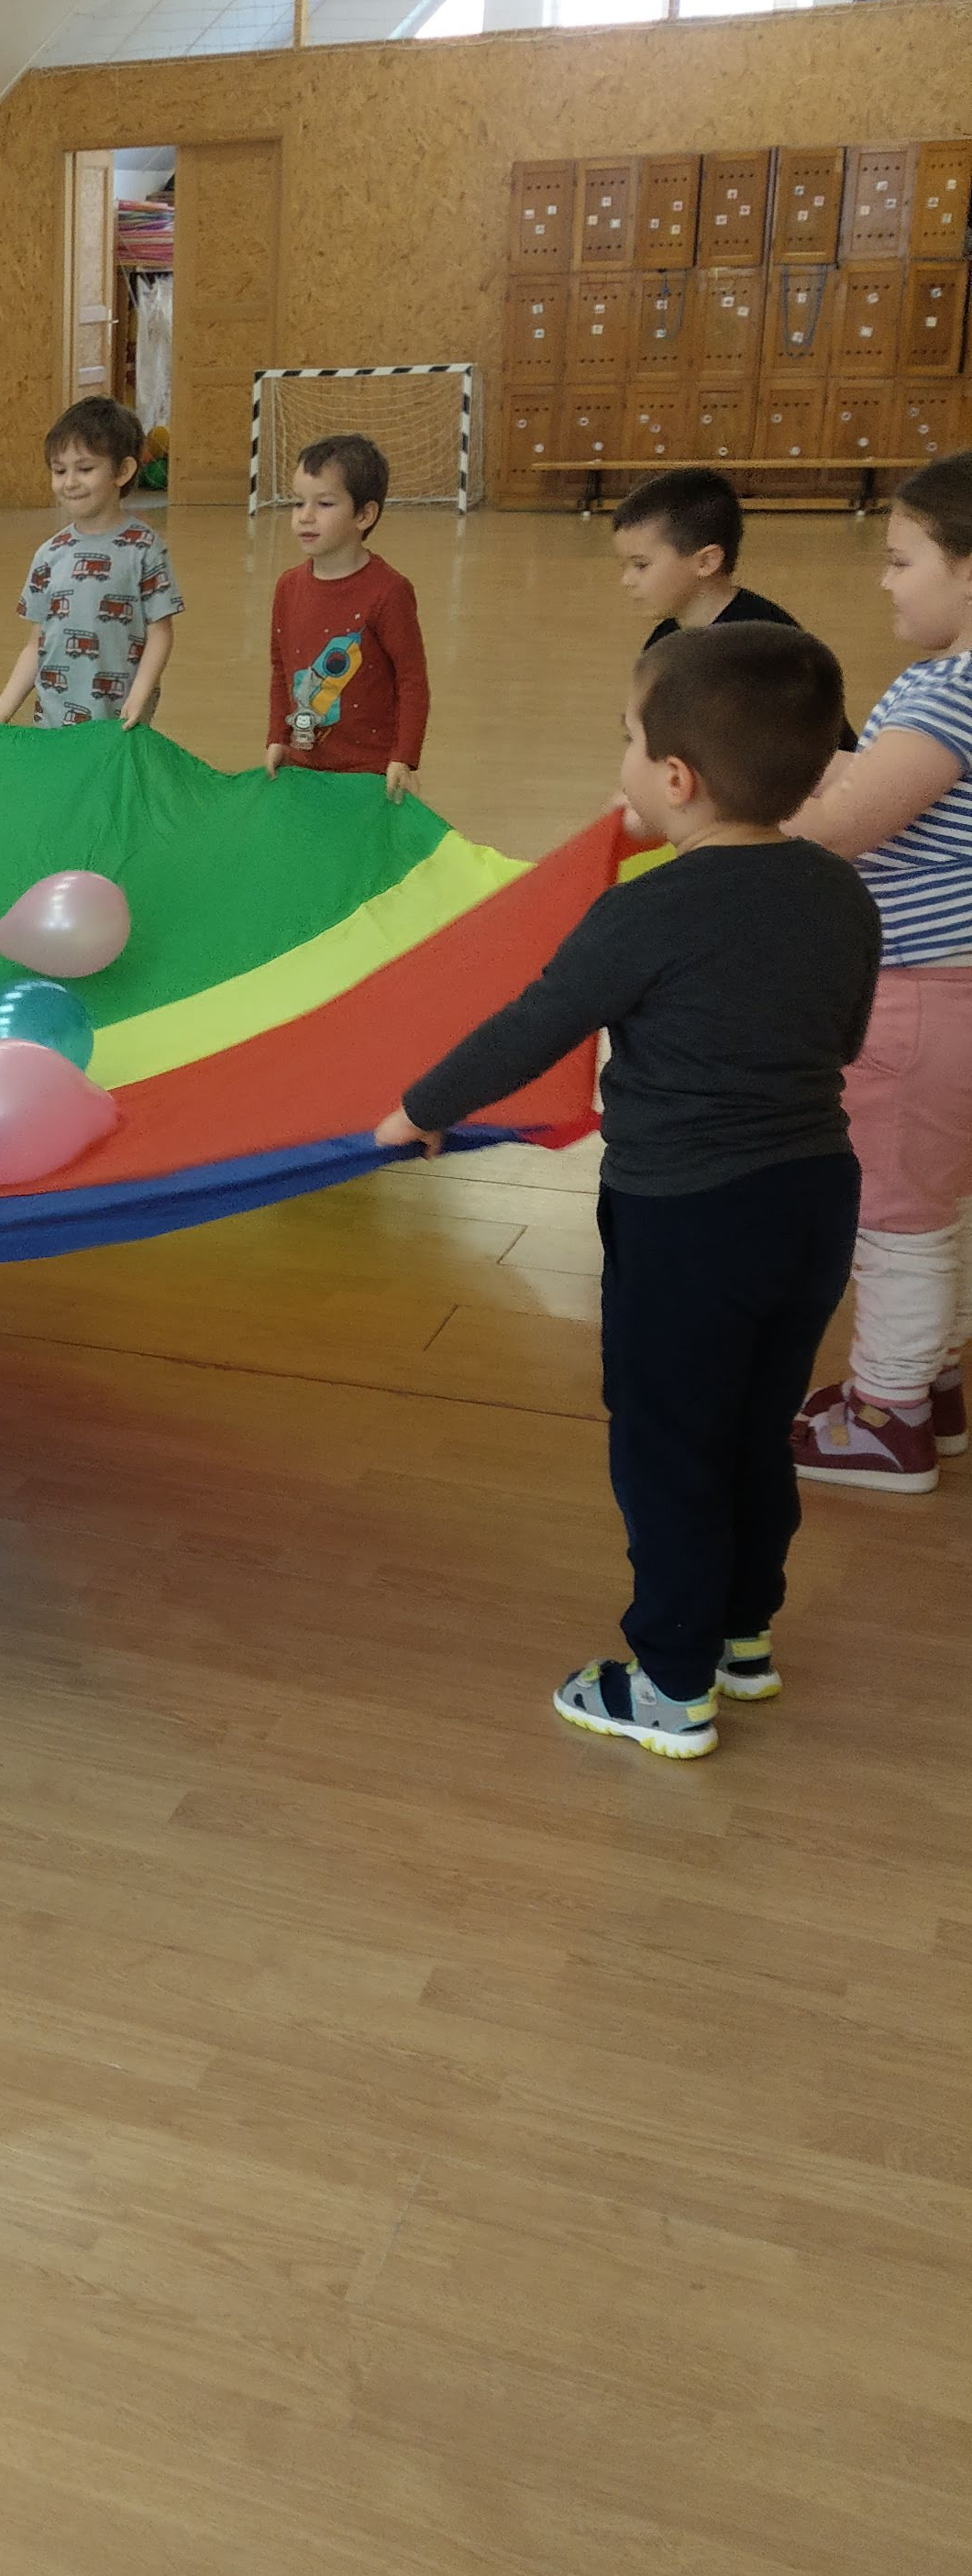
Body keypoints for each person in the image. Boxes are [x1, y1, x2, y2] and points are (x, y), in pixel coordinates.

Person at [377, 622, 877, 1760]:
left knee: (669, 1443)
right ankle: (742, 1636)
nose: (622, 764)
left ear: (677, 778)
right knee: (752, 1424)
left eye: (627, 741)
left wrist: (421, 1106)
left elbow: (534, 1026)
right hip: (813, 1202)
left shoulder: (644, 911)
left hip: (689, 1219)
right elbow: (843, 1038)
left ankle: (669, 1685)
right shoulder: (839, 892)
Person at [784, 450, 972, 1493]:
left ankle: (889, 1417)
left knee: (896, 1213)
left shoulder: (948, 689)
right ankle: (934, 1383)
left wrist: (729, 810)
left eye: (903, 561)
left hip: (920, 998)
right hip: (955, 996)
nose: (884, 580)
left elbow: (843, 826)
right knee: (939, 1198)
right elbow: (881, 780)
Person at [0, 396, 180, 732]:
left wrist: (140, 694)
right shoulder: (49, 555)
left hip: (118, 722)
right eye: (59, 470)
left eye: (85, 469)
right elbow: (36, 644)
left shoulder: (145, 549)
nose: (69, 482)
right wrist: (2, 709)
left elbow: (161, 632)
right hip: (53, 722)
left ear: (122, 471)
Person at [261, 432, 426, 803]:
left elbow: (412, 680)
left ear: (364, 515)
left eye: (324, 503)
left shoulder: (389, 592)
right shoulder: (287, 587)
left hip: (369, 773)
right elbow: (280, 668)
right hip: (303, 767)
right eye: (298, 502)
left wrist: (403, 757)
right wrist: (277, 737)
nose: (305, 516)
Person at [610, 467, 801, 652]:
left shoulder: (768, 648)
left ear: (706, 562)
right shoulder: (664, 641)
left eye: (641, 565)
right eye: (625, 566)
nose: (626, 580)